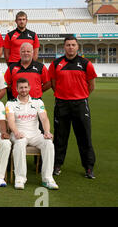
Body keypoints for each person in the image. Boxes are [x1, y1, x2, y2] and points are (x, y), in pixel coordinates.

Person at [48, 36, 97, 179]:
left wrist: (80, 96)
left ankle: (88, 167)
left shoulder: (85, 63)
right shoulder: (56, 63)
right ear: (64, 47)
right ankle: (57, 165)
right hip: (62, 103)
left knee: (84, 136)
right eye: (68, 45)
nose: (70, 47)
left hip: (80, 104)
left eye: (73, 45)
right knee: (60, 136)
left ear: (77, 47)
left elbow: (91, 85)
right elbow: (53, 83)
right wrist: (62, 95)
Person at [6, 78, 59, 190]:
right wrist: (16, 132)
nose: (23, 90)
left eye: (25, 87)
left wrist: (47, 132)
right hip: (19, 133)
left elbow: (44, 118)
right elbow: (10, 120)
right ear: (16, 89)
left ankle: (47, 179)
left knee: (48, 143)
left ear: (29, 88)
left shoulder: (38, 102)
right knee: (19, 144)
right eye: (21, 87)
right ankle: (20, 179)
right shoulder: (10, 103)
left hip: (35, 134)